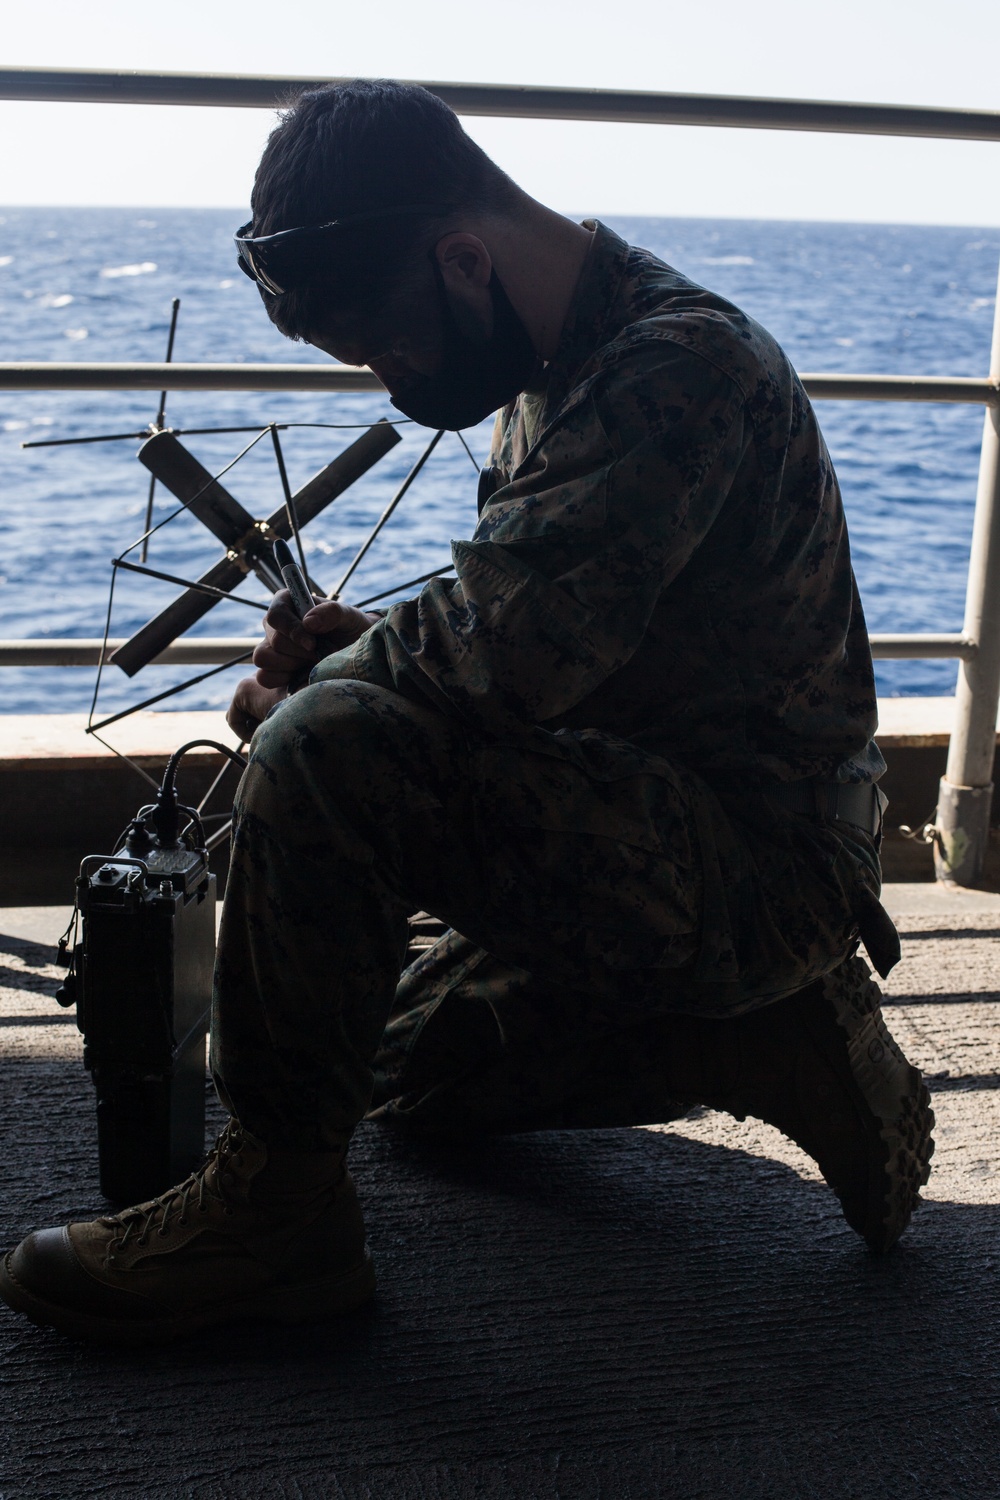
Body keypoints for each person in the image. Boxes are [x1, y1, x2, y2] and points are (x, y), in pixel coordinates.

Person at [0, 80, 933, 1345]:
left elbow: (483, 667)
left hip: (757, 860)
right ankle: (768, 1035)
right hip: (643, 800)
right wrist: (366, 651)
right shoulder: (560, 354)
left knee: (322, 752)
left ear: (462, 256)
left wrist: (321, 692)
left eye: (391, 344)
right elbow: (540, 629)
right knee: (383, 1067)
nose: (392, 383)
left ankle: (280, 1228)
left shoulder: (675, 369)